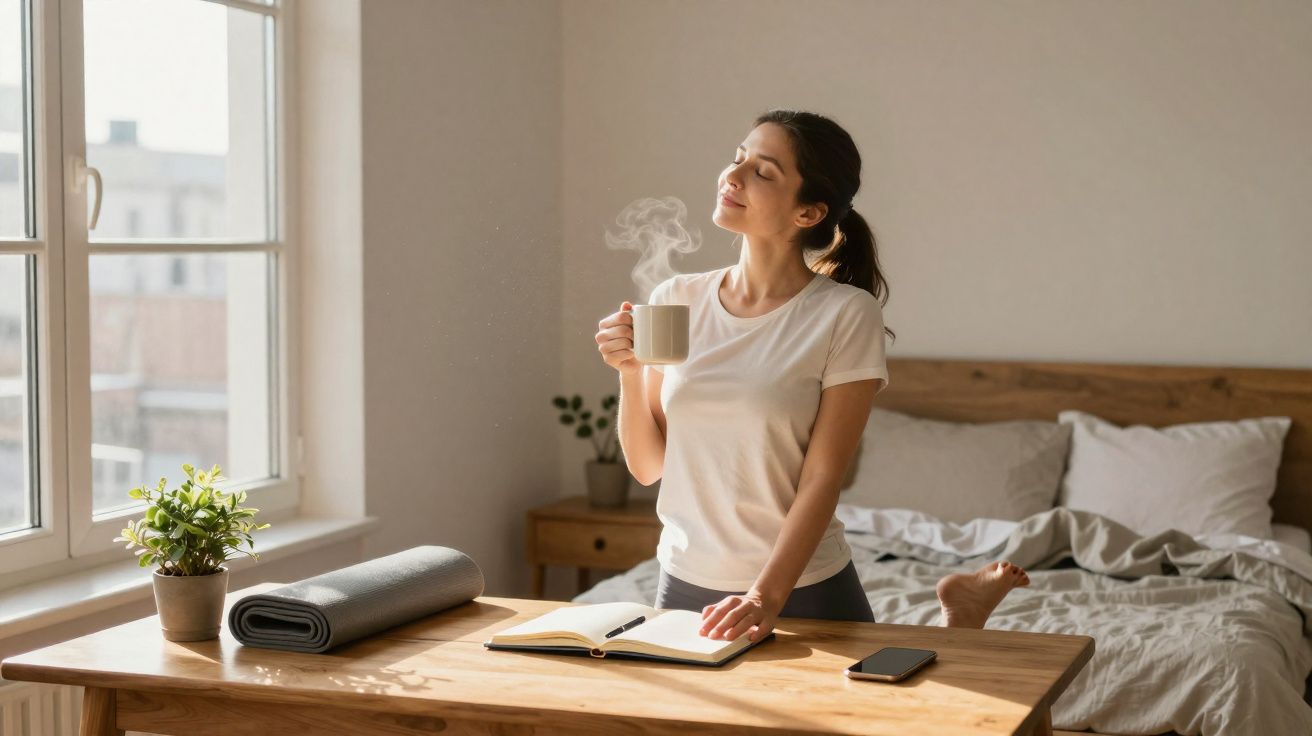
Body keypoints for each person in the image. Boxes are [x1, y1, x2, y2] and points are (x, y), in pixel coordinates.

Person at [594, 110, 1028, 643]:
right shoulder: (675, 299)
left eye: (764, 171)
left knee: (893, 719)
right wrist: (629, 372)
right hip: (684, 579)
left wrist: (764, 596)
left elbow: (823, 479)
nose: (733, 176)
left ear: (809, 213)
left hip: (800, 583)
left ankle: (960, 625)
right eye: (738, 159)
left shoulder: (845, 314)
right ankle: (960, 622)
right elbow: (648, 466)